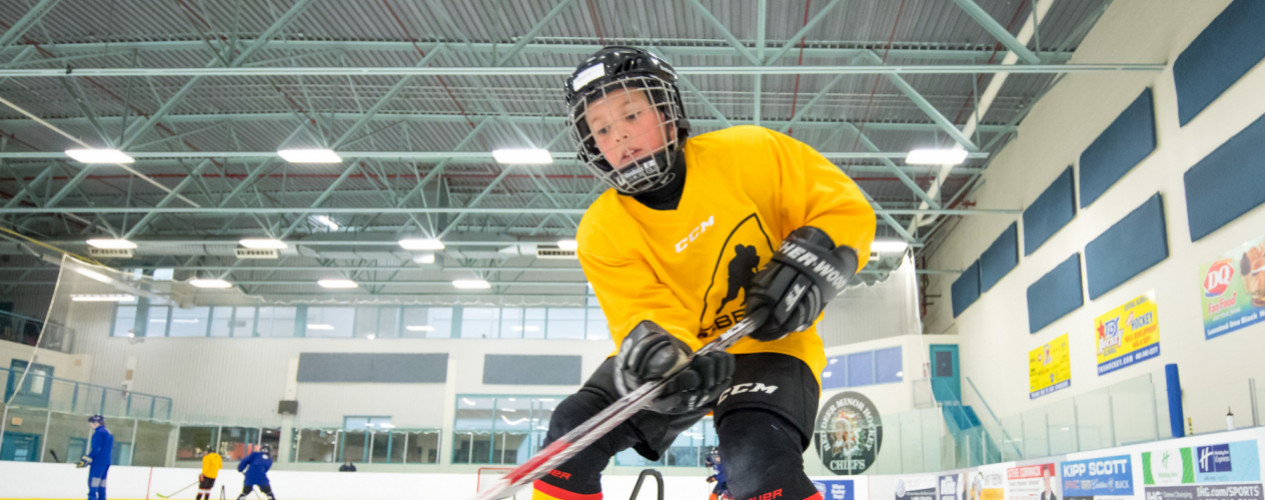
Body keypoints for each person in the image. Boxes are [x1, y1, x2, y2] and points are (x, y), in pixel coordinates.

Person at [530, 46, 876, 500]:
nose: (620, 138)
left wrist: (819, 257)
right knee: (570, 437)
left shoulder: (751, 153)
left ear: (668, 113)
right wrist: (661, 354)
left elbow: (842, 207)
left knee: (757, 460)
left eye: (632, 116)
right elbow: (641, 313)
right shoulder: (601, 231)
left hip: (774, 345)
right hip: (681, 360)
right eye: (602, 129)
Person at [76, 414, 113, 500]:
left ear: (96, 423)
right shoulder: (108, 432)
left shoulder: (98, 433)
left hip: (98, 463)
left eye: (90, 423)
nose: (90, 425)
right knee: (101, 486)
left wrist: (87, 458)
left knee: (93, 485)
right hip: (106, 462)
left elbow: (96, 448)